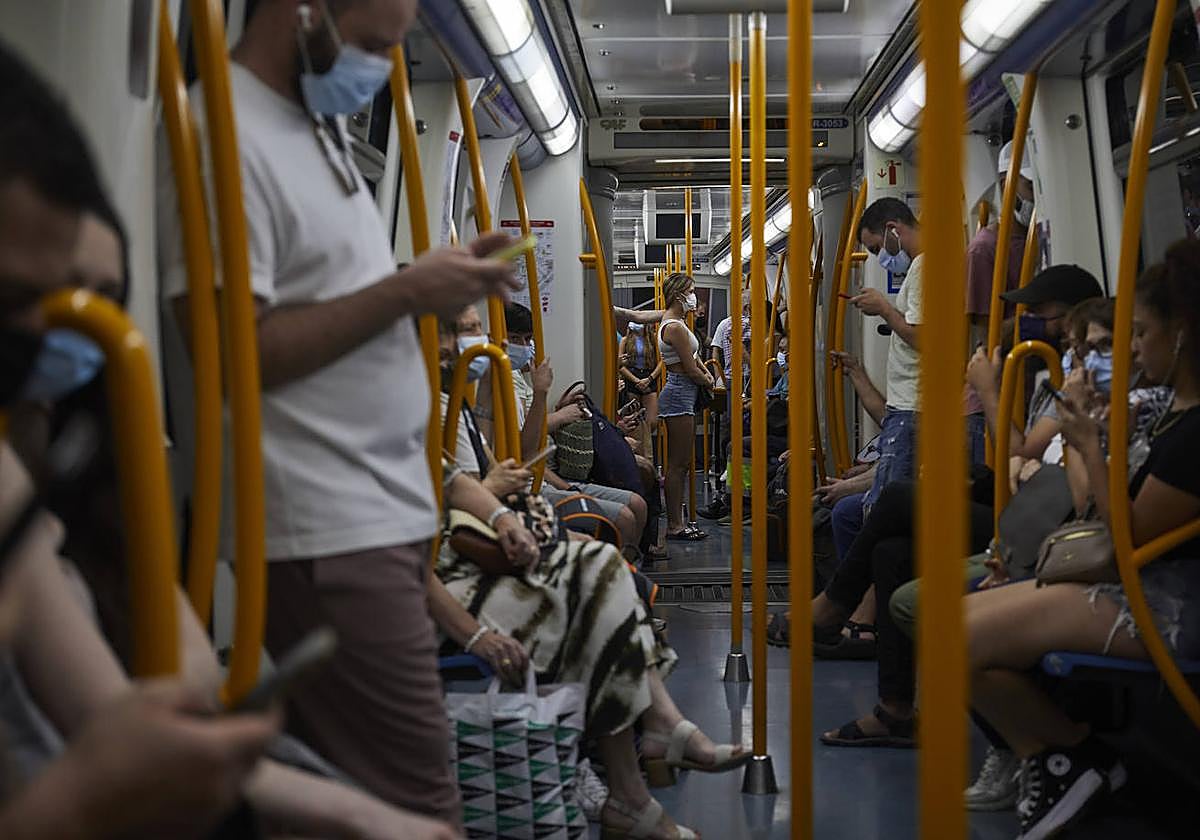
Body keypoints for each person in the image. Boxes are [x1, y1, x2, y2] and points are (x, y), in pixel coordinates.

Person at [159, 0, 522, 824]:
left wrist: (434, 282)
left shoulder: (314, 132)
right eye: (372, 44)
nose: (381, 68)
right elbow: (233, 351)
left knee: (351, 807)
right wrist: (407, 292)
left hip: (375, 519)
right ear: (306, 12)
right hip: (326, 530)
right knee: (423, 810)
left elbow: (331, 303)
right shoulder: (226, 134)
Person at [0, 40, 285, 838]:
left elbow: (131, 704)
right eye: (26, 300)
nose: (61, 329)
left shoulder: (80, 469)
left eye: (103, 301)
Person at [966, 240, 1200, 839]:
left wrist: (1088, 447)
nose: (1133, 347)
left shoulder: (1193, 432)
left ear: (1180, 333)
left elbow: (1126, 539)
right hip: (1137, 584)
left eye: (1141, 332)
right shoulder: (1172, 411)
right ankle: (1065, 757)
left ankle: (1070, 757)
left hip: (1166, 603)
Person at [430, 461, 747, 838]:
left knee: (602, 563)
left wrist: (503, 519)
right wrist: (475, 636)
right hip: (432, 591)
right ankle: (644, 766)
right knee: (597, 592)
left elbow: (451, 480)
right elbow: (406, 568)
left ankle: (648, 755)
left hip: (463, 568)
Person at [657, 272, 713, 540]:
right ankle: (675, 525)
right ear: (678, 295)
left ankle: (677, 522)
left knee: (680, 463)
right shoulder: (675, 327)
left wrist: (705, 373)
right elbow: (690, 369)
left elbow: (692, 357)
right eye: (690, 292)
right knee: (677, 465)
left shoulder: (674, 321)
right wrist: (709, 380)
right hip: (680, 391)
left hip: (682, 391)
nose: (694, 297)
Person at [619, 322, 662, 451]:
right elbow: (620, 364)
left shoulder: (653, 339)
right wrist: (636, 380)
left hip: (649, 376)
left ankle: (646, 447)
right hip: (632, 377)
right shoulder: (625, 340)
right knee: (633, 419)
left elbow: (662, 361)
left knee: (652, 421)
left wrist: (649, 379)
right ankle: (637, 450)